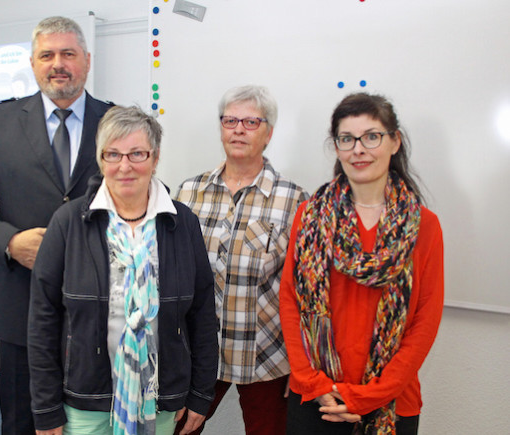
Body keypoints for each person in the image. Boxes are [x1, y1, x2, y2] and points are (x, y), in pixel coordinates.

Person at [0, 16, 114, 434]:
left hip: (98, 305)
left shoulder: (116, 123)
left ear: (87, 61)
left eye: (68, 54)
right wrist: (8, 241)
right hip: (20, 303)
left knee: (93, 422)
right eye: (48, 55)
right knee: (23, 420)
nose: (58, 64)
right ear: (33, 63)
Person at [27, 105, 218, 435]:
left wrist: (201, 396)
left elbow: (201, 315)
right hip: (86, 400)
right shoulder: (69, 222)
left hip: (159, 399)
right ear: (101, 160)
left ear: (155, 158)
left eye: (137, 154)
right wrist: (46, 408)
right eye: (112, 154)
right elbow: (43, 319)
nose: (124, 166)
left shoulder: (182, 223)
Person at [279, 93, 444, 435]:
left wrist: (367, 396)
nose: (358, 149)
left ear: (394, 141)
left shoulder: (424, 226)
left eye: (371, 136)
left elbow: (424, 323)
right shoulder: (310, 216)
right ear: (336, 146)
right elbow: (290, 302)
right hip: (315, 399)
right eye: (347, 138)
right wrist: (315, 384)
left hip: (391, 401)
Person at [175, 85, 307, 434]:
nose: (238, 129)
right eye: (230, 120)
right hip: (196, 355)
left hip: (266, 358)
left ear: (269, 133)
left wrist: (303, 365)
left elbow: (307, 291)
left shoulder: (294, 200)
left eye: (250, 121)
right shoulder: (189, 192)